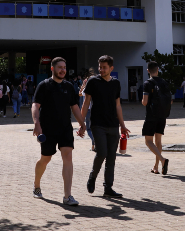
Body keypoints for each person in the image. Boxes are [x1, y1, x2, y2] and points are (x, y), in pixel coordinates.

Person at [32, 57, 86, 205]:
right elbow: (35, 106)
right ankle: (36, 186)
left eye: (64, 67)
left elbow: (74, 107)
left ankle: (67, 196)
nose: (63, 70)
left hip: (65, 128)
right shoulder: (44, 85)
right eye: (59, 67)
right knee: (46, 159)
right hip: (47, 129)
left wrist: (82, 123)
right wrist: (37, 124)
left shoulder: (69, 87)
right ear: (52, 69)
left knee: (68, 157)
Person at [81, 55, 130, 198]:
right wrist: (82, 123)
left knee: (111, 157)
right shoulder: (93, 82)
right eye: (100, 67)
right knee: (101, 153)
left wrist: (123, 125)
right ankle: (93, 176)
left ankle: (108, 188)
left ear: (111, 68)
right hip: (97, 124)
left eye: (104, 67)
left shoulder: (116, 83)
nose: (101, 70)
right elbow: (85, 104)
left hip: (113, 124)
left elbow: (118, 106)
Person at [142, 61, 172, 175]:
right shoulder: (164, 82)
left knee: (148, 141)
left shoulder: (147, 83)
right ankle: (156, 167)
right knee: (158, 141)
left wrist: (142, 101)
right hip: (162, 115)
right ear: (158, 69)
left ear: (148, 70)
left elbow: (145, 102)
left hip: (151, 115)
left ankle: (163, 160)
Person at [79, 73, 96, 152]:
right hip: (96, 111)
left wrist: (83, 84)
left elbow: (80, 93)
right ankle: (94, 146)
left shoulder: (86, 89)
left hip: (88, 111)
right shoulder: (98, 88)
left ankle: (95, 142)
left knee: (89, 129)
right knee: (95, 129)